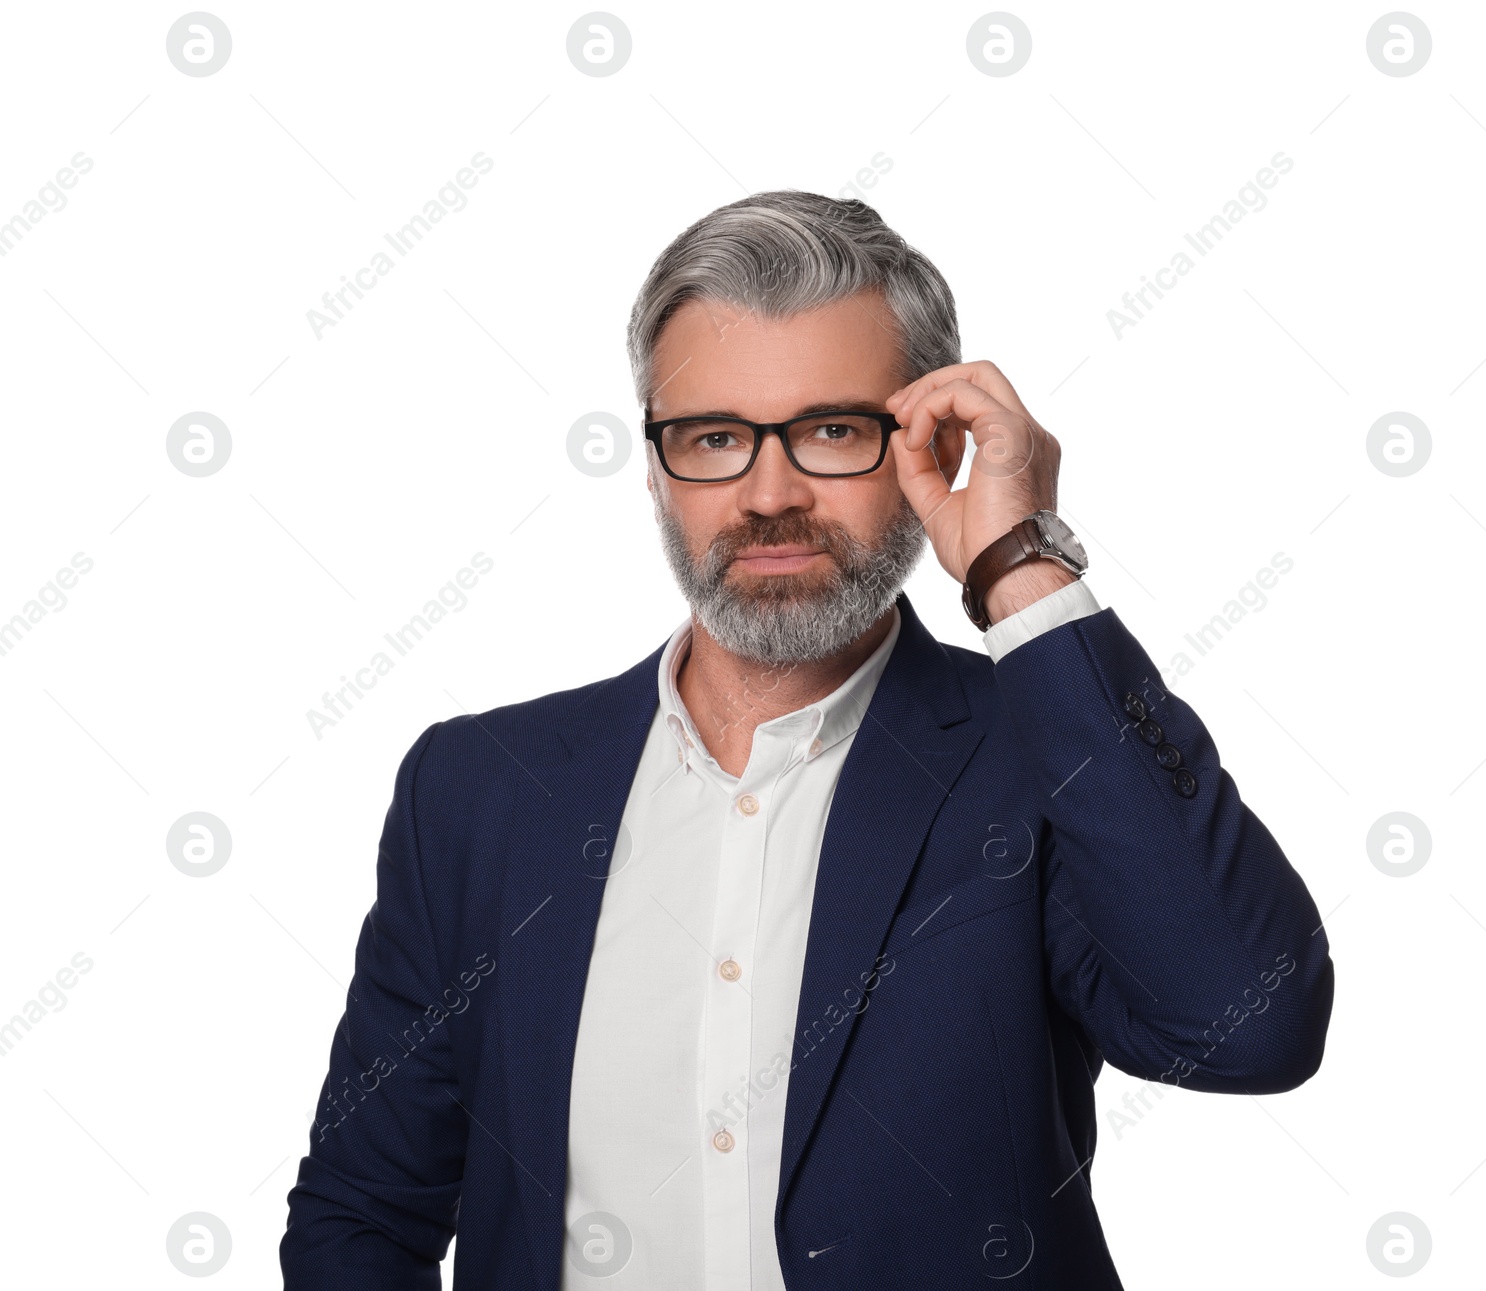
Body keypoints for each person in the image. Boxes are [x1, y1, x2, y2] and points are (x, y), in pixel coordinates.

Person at [281, 190, 1333, 1290]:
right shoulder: (479, 791)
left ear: (930, 446)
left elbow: (1248, 1026)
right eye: (715, 438)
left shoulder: (1038, 760)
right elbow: (365, 1208)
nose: (768, 494)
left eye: (834, 431)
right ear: (653, 466)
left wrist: (1018, 564)